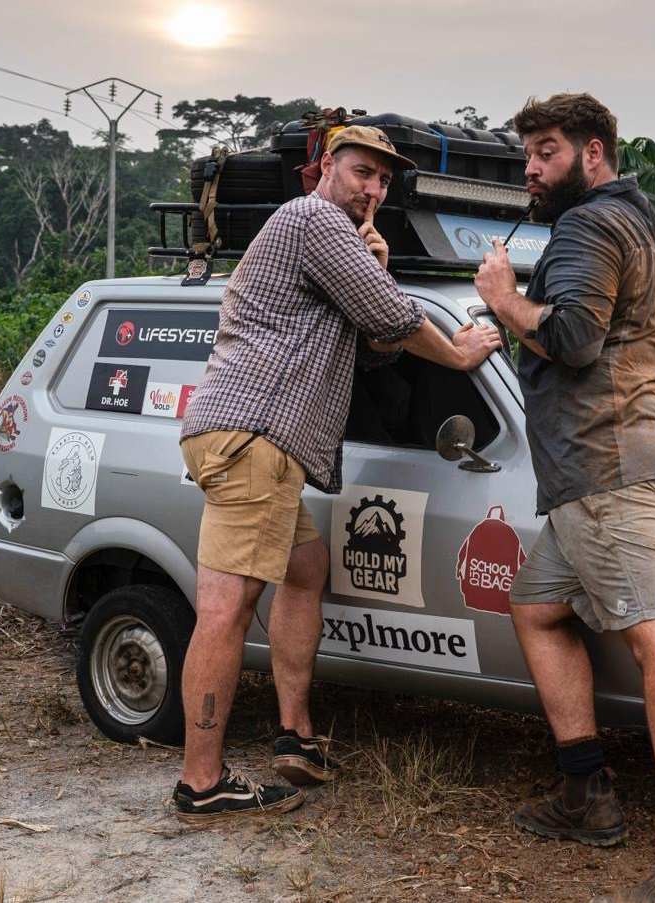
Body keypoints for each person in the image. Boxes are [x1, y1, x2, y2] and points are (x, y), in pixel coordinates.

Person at [174, 125, 502, 821]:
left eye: (383, 180)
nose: (372, 189)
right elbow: (396, 319)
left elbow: (376, 352)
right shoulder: (311, 217)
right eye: (361, 172)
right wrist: (463, 353)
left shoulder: (334, 244)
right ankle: (200, 780)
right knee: (226, 611)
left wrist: (375, 269)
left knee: (305, 567)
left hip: (263, 444)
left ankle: (295, 733)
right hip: (255, 437)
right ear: (324, 169)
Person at [474, 94, 655, 902]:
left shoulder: (586, 226)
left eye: (546, 151)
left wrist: (502, 298)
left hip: (609, 462)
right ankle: (586, 795)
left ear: (593, 153)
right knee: (537, 603)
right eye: (528, 153)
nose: (530, 167)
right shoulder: (644, 221)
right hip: (650, 451)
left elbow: (576, 338)